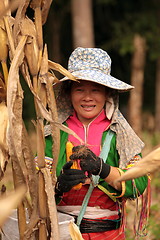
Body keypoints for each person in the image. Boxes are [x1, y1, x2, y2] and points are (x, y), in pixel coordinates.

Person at [44, 47, 148, 240]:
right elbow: (34, 184)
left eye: (96, 90)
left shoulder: (119, 132)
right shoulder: (54, 132)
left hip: (108, 233)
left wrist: (104, 170)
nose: (87, 97)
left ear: (107, 93)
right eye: (80, 89)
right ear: (68, 93)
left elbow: (139, 183)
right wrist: (58, 186)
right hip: (61, 232)